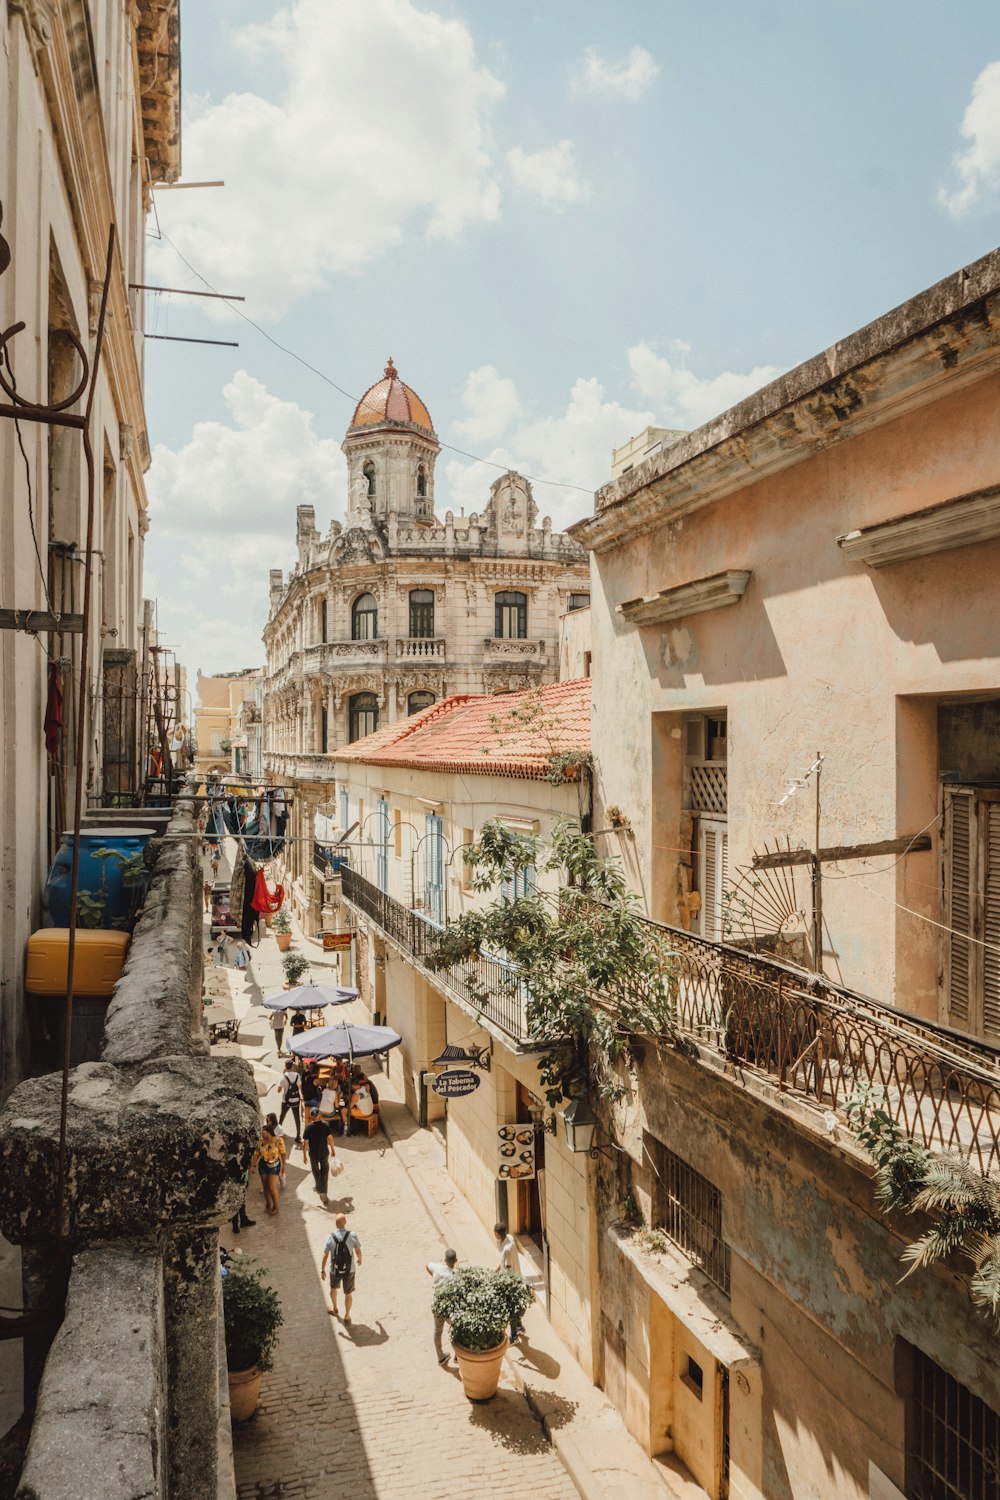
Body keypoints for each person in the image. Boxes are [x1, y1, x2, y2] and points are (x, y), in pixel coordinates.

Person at [321, 1212, 362, 1321]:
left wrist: (322, 1270)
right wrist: (359, 1259)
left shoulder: (330, 1237)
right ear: (345, 1222)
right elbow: (358, 1250)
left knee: (333, 1288)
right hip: (350, 1270)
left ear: (336, 1224)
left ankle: (335, 1308)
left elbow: (325, 1256)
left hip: (335, 1270)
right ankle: (347, 1316)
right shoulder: (352, 1235)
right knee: (348, 1293)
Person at [426, 1248, 458, 1364]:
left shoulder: (437, 1268)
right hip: (448, 1309)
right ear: (456, 1261)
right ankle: (457, 1356)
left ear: (445, 1259)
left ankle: (440, 1357)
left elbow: (427, 1265)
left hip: (436, 1305)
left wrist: (435, 1278)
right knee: (456, 1329)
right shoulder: (454, 1277)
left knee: (437, 1331)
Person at [495, 1222, 524, 1345]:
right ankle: (519, 1327)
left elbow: (507, 1268)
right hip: (515, 1277)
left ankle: (514, 1336)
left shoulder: (507, 1249)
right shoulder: (509, 1238)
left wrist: (500, 1281)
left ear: (496, 1234)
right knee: (515, 1306)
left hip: (510, 1282)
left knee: (511, 1309)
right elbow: (503, 1263)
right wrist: (497, 1269)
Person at [302, 1107, 337, 1201]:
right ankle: (323, 1192)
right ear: (319, 1115)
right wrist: (333, 1149)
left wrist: (304, 1155)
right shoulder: (325, 1125)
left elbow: (305, 1143)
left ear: (311, 1116)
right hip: (324, 1152)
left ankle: (318, 1187)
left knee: (315, 1171)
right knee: (324, 1172)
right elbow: (330, 1139)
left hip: (313, 1153)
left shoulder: (308, 1127)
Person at [254, 1123, 286, 1217]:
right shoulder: (261, 1142)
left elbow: (283, 1153)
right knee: (265, 1187)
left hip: (275, 1165)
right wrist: (252, 1165)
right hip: (263, 1165)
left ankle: (276, 1206)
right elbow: (256, 1154)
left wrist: (284, 1165)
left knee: (272, 1187)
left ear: (268, 1132)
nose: (261, 1134)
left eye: (262, 1132)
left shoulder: (278, 1140)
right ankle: (268, 1203)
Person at [349, 1066, 379, 1133]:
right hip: (371, 1109)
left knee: (346, 1111)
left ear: (352, 1085)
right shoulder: (366, 1086)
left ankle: (352, 1129)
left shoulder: (355, 1095)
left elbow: (349, 1107)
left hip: (366, 1112)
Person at [278, 1061, 303, 1143]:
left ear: (285, 1066)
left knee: (282, 1116)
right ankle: (298, 1135)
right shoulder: (297, 1075)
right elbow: (300, 1086)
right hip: (295, 1099)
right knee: (297, 1118)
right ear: (292, 1066)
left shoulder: (283, 1077)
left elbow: (279, 1090)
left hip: (286, 1100)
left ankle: (278, 1133)